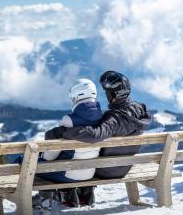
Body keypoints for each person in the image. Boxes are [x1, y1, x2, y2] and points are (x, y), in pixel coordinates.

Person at [44, 71, 152, 202]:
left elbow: (95, 135)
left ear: (112, 95)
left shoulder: (114, 119)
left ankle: (68, 194)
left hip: (109, 170)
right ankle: (81, 194)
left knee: (80, 159)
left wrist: (62, 132)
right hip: (125, 166)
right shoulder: (140, 110)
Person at [33, 79, 102, 210]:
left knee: (29, 163)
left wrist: (43, 155)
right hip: (90, 172)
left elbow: (49, 158)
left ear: (76, 96)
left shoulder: (69, 120)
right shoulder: (103, 120)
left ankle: (45, 199)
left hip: (68, 173)